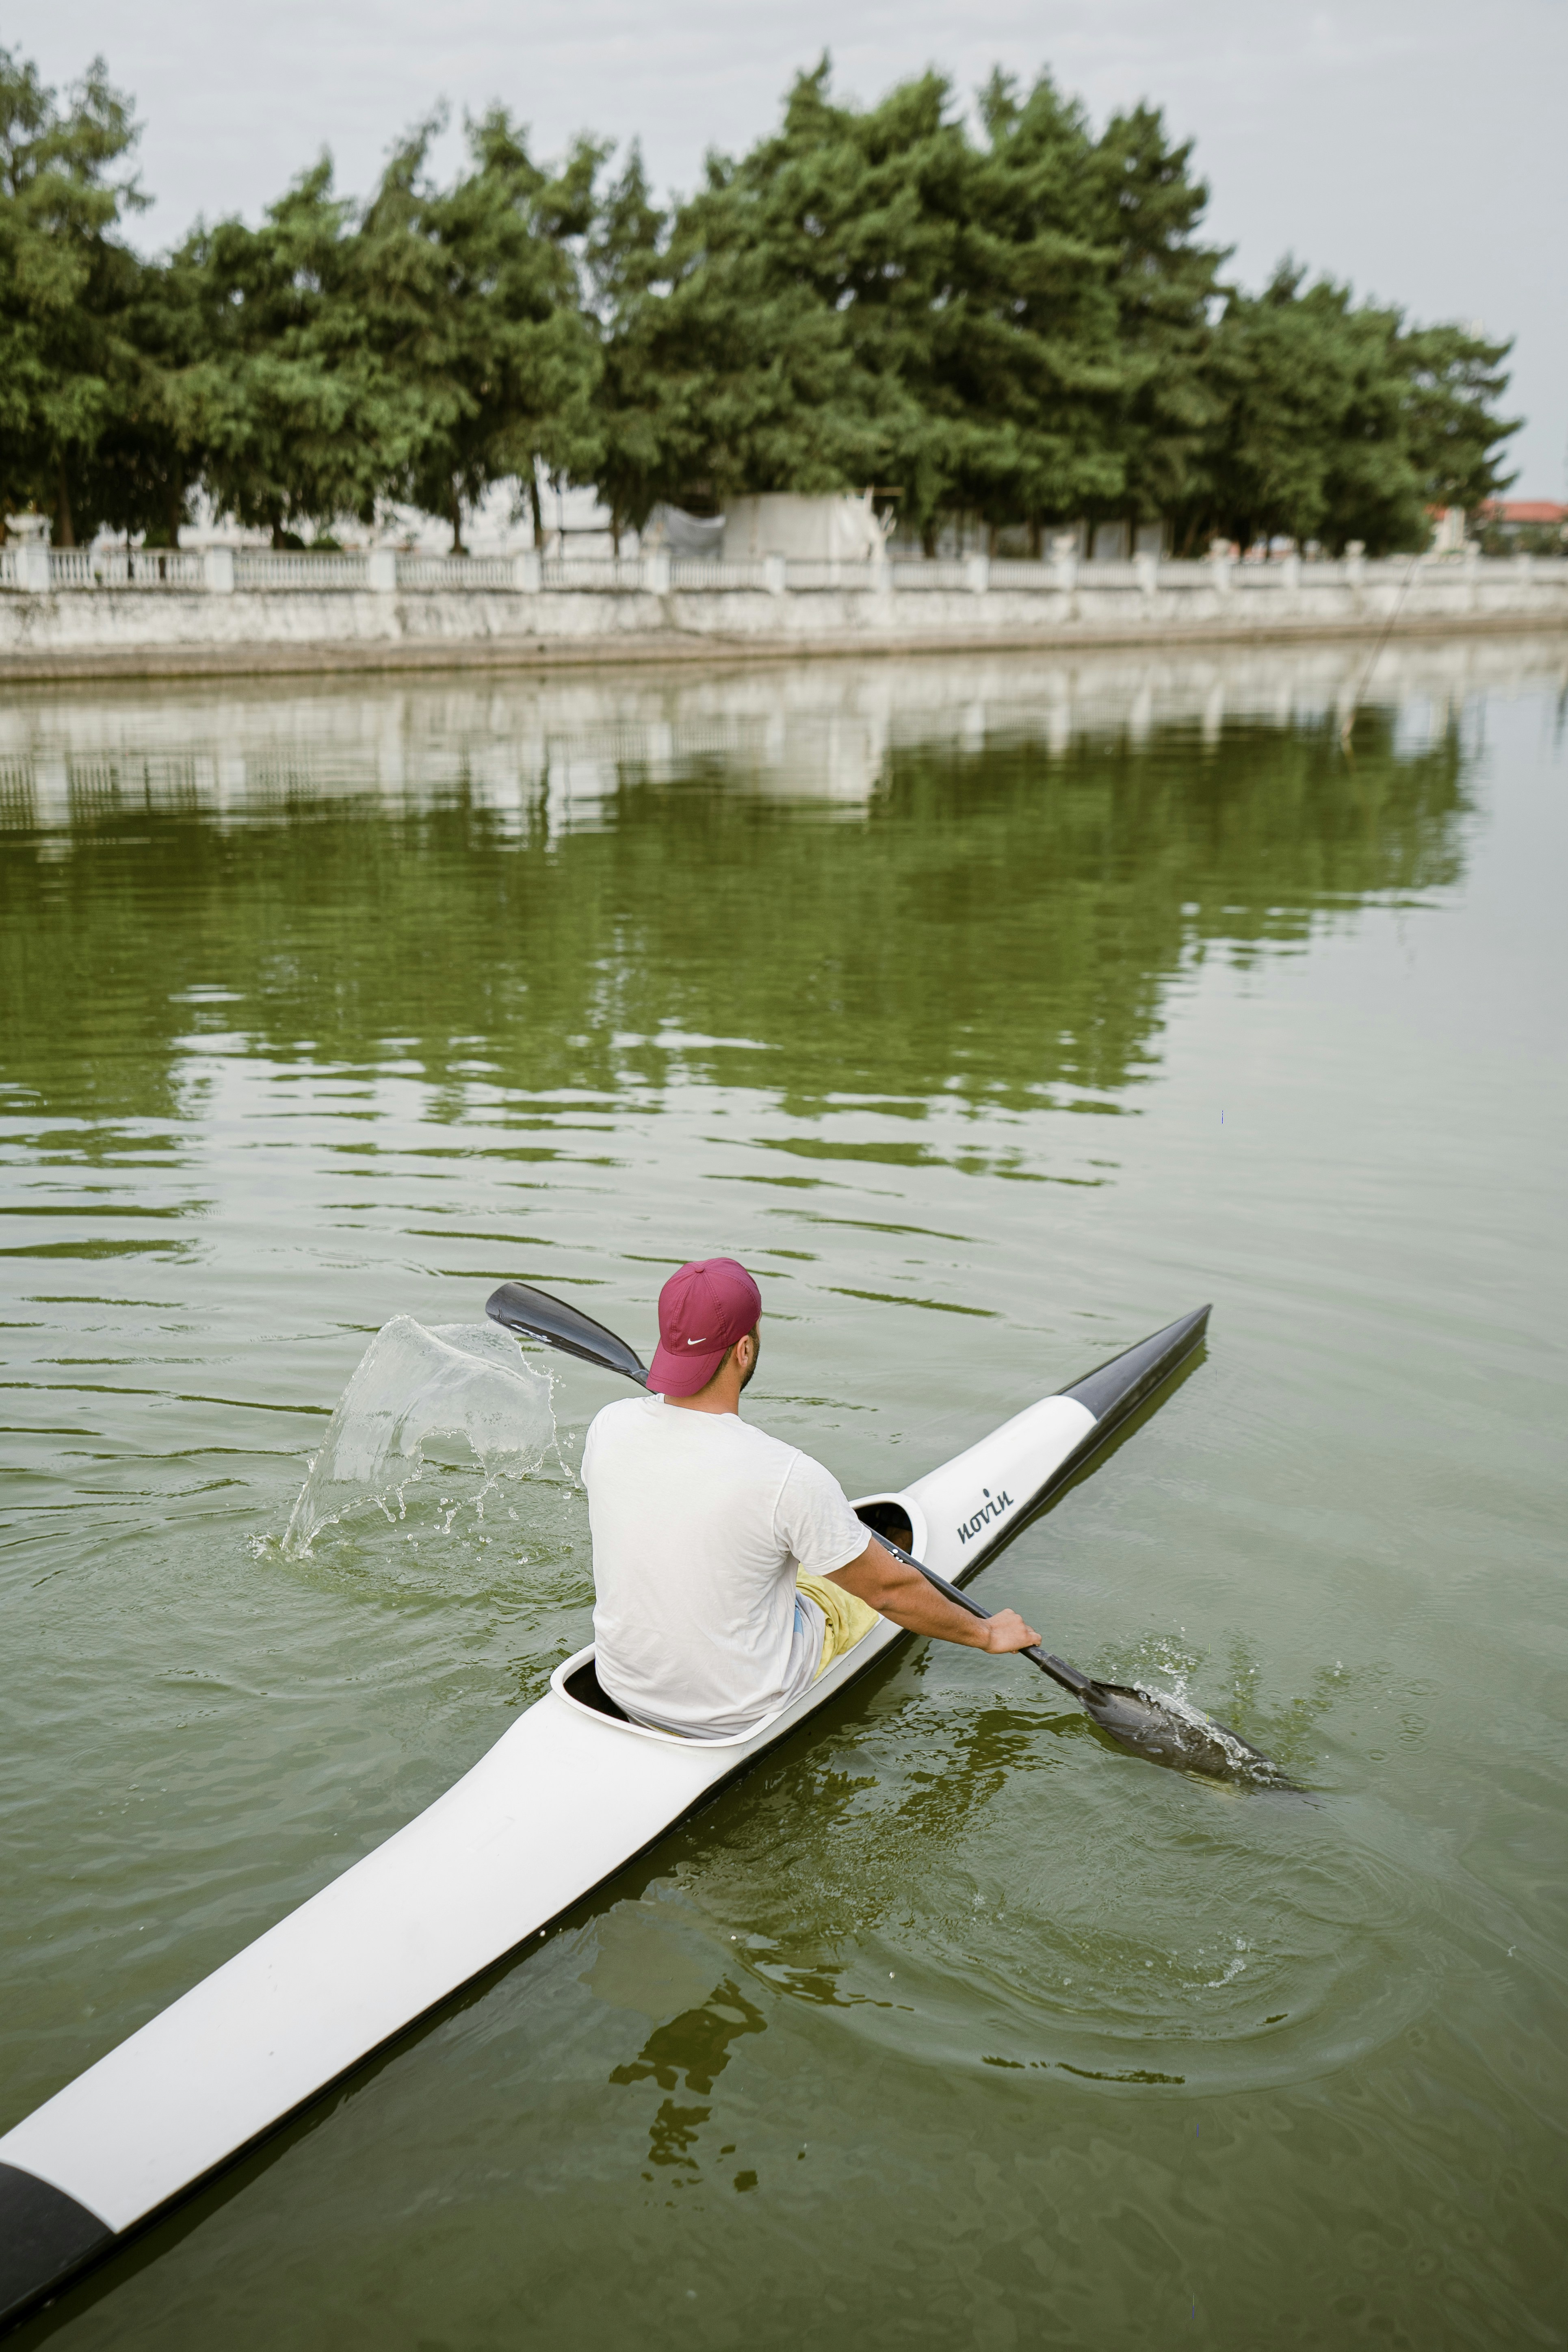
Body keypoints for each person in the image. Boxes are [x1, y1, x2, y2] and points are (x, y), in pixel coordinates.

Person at [581, 1256, 1040, 1741]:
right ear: (743, 1348)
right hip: (737, 1711)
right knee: (851, 1583)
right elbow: (888, 1592)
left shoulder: (609, 1425)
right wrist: (987, 1633)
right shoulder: (788, 1475)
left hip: (622, 1686)